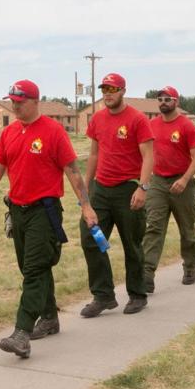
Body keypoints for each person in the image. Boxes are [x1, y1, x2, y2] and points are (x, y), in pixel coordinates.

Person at [0, 80, 97, 357]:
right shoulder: (9, 133)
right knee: (31, 268)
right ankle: (50, 317)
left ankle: (21, 332)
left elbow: (73, 172)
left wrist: (86, 206)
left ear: (35, 101)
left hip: (45, 210)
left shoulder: (53, 132)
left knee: (35, 269)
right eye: (12, 101)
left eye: (20, 102)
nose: (15, 106)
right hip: (18, 210)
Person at [77, 73, 153, 317]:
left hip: (128, 190)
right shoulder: (98, 119)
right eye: (104, 90)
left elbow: (149, 156)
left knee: (132, 244)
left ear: (123, 91)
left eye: (112, 89)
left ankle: (138, 294)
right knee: (92, 239)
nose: (108, 94)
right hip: (101, 190)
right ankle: (103, 295)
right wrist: (87, 186)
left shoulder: (137, 119)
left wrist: (143, 188)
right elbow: (94, 155)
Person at [142, 86, 195, 289]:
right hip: (158, 182)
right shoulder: (151, 125)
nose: (163, 102)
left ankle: (190, 267)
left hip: (181, 182)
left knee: (186, 229)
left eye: (167, 99)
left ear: (176, 101)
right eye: (160, 99)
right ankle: (147, 273)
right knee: (153, 228)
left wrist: (185, 180)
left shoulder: (186, 126)